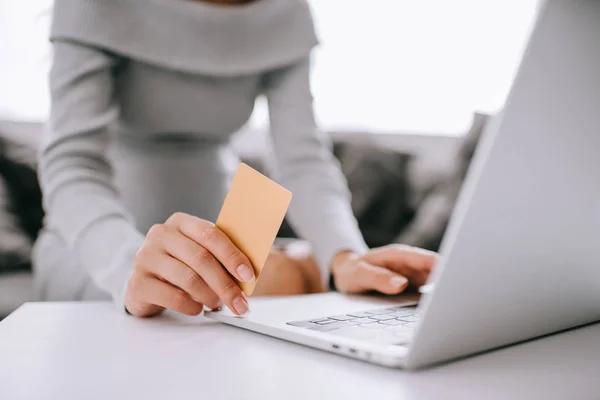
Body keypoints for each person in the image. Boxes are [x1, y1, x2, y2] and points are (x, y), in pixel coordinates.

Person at [34, 0, 437, 318]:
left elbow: (302, 159)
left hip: (224, 251)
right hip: (98, 252)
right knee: (279, 281)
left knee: (304, 274)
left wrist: (346, 255)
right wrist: (128, 266)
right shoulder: (94, 5)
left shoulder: (286, 13)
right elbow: (73, 163)